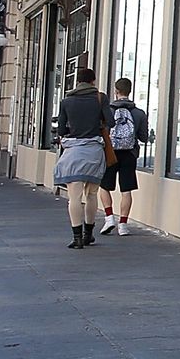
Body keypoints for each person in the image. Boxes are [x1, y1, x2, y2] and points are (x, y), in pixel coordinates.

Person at [52, 68, 111, 248]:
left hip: (73, 152)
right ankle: (88, 234)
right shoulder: (100, 98)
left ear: (77, 82)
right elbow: (111, 121)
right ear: (93, 81)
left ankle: (77, 238)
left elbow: (61, 129)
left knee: (74, 197)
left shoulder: (66, 101)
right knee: (91, 194)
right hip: (94, 150)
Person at [97, 78, 151, 236]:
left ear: (116, 90)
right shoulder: (139, 113)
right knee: (126, 190)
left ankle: (109, 218)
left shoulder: (108, 111)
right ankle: (123, 225)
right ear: (130, 91)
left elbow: (101, 131)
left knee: (104, 186)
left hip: (110, 153)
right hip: (129, 154)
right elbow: (143, 137)